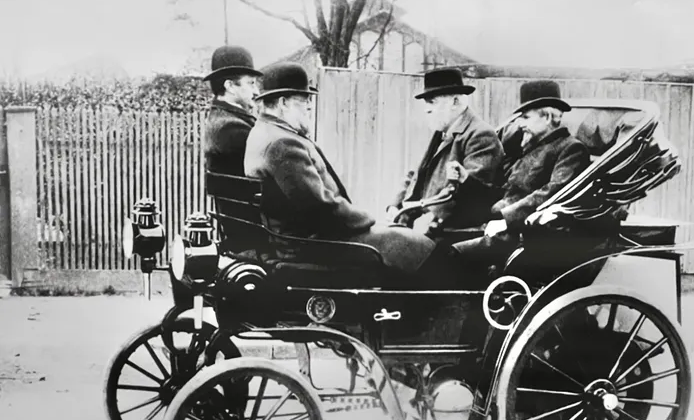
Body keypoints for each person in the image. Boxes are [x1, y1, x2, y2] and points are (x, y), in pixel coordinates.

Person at [243, 62, 462, 285]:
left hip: (303, 237)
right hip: (310, 244)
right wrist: (367, 221)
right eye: (304, 99)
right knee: (407, 242)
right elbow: (319, 205)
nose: (309, 106)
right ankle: (447, 307)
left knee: (401, 238)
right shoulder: (281, 143)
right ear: (283, 103)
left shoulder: (266, 133)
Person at [454, 80, 591, 266]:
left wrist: (507, 220)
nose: (519, 124)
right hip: (504, 228)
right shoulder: (532, 148)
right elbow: (507, 193)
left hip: (529, 236)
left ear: (548, 117)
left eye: (525, 117)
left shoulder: (571, 149)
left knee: (450, 257)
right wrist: (467, 180)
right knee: (440, 244)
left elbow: (554, 193)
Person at [386, 68, 504, 235]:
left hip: (450, 232)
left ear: (455, 102)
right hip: (421, 226)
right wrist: (395, 205)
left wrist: (431, 217)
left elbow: (467, 192)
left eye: (431, 102)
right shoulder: (441, 133)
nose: (426, 109)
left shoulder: (480, 135)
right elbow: (415, 174)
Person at [201, 45, 263, 251]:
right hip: (256, 236)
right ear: (230, 86)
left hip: (242, 233)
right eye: (251, 83)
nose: (256, 91)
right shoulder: (232, 128)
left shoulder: (222, 120)